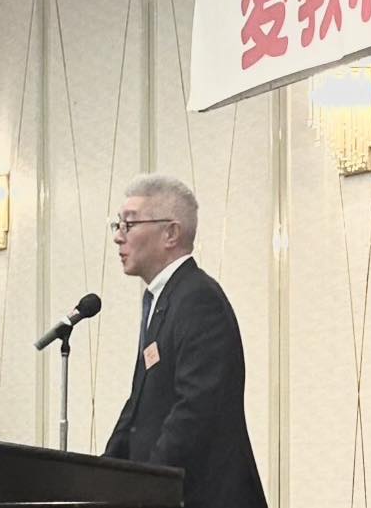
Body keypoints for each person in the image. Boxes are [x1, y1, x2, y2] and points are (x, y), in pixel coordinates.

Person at [103, 174, 267, 508]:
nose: (119, 236)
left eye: (129, 224)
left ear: (171, 233)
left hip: (202, 495)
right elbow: (138, 406)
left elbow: (195, 408)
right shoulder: (162, 300)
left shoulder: (198, 299)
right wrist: (100, 477)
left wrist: (148, 485)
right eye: (118, 224)